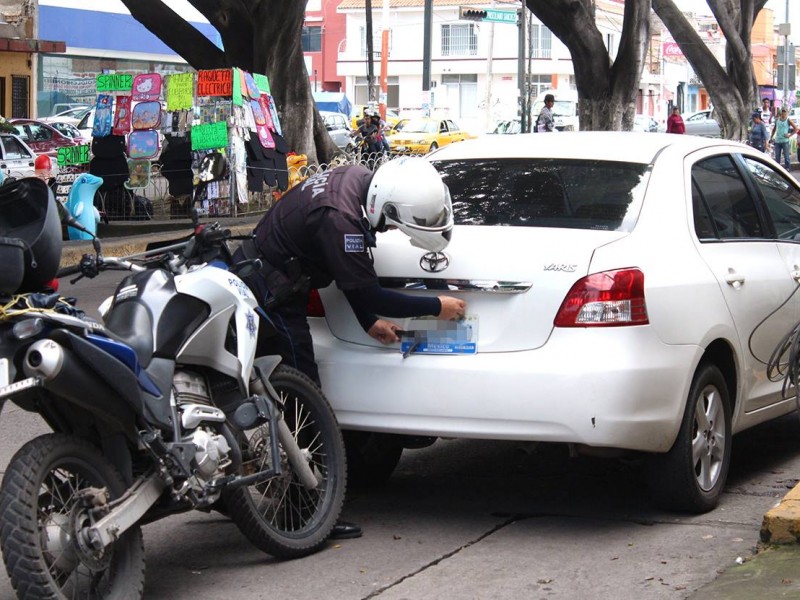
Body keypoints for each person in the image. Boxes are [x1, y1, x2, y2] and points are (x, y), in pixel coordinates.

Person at [235, 158, 466, 539]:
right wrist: (435, 307)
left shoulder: (358, 179)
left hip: (268, 276)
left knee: (286, 395)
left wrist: (368, 322)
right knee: (303, 400)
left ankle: (246, 499)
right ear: (385, 206)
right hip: (271, 293)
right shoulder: (340, 219)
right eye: (394, 224)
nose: (392, 231)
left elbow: (350, 276)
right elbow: (366, 290)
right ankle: (305, 510)